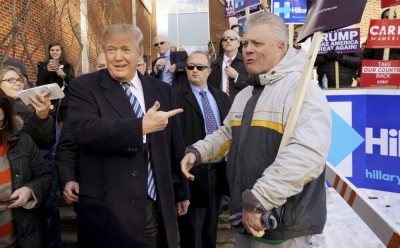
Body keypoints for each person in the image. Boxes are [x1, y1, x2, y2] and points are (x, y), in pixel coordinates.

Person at [181, 12, 332, 248]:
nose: (247, 50)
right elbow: (227, 135)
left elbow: (308, 153)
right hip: (248, 218)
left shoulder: (301, 90)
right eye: (245, 43)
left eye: (257, 43)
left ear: (281, 47)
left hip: (283, 226)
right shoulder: (245, 94)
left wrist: (261, 198)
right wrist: (198, 152)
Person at [67, 23, 190, 248]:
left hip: (155, 204)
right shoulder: (84, 87)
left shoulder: (161, 90)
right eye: (111, 50)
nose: (118, 57)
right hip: (109, 210)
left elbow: (174, 142)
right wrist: (139, 127)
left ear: (140, 53)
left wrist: (181, 190)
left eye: (126, 50)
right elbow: (86, 131)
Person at [174, 51, 231, 248]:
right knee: (191, 234)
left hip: (217, 173)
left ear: (209, 70)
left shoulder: (222, 97)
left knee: (210, 231)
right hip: (190, 174)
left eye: (199, 67)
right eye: (190, 67)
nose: (194, 70)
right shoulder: (174, 97)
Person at [0, 95, 52, 247]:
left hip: (22, 239)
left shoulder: (22, 142)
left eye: (0, 123)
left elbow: (45, 177)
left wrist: (30, 191)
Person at [37, 41, 75, 125]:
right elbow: (39, 84)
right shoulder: (42, 65)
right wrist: (46, 71)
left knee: (64, 128)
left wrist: (64, 75)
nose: (54, 52)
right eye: (52, 50)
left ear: (61, 51)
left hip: (64, 102)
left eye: (57, 50)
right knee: (50, 126)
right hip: (49, 101)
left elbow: (73, 85)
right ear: (49, 51)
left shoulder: (68, 66)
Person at [208, 29, 249, 102]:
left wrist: (237, 77)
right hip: (221, 106)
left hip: (240, 106)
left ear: (238, 43)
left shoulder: (247, 62)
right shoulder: (214, 64)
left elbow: (253, 85)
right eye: (225, 39)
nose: (228, 41)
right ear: (222, 44)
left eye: (232, 39)